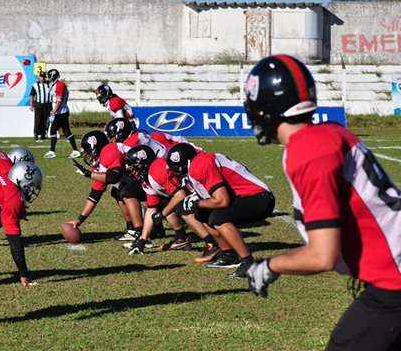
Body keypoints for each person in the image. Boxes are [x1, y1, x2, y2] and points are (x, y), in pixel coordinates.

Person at [243, 54, 401, 350]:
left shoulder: (309, 150)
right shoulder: (329, 133)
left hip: (394, 280)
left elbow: (322, 255)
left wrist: (269, 265)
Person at [165, 143, 274, 277]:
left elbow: (222, 200)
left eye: (177, 168)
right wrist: (195, 202)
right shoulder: (198, 162)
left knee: (218, 218)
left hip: (259, 198)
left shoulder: (200, 164)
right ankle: (228, 254)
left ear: (185, 163)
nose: (175, 172)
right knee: (202, 214)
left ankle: (248, 262)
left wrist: (196, 202)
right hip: (245, 196)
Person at [69, 130, 148, 242]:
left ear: (96, 147)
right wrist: (79, 220)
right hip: (143, 180)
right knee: (117, 191)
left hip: (153, 178)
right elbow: (94, 196)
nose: (89, 156)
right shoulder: (101, 163)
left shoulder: (109, 150)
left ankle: (140, 232)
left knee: (126, 189)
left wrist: (88, 174)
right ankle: (132, 229)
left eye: (89, 152)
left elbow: (113, 177)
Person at [44, 69, 80, 159]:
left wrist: (54, 111)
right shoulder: (56, 84)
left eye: (50, 76)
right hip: (62, 111)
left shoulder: (59, 85)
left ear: (53, 76)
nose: (48, 78)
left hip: (60, 112)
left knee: (53, 130)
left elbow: (59, 100)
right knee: (66, 131)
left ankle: (52, 151)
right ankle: (75, 151)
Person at [30, 71, 51, 141]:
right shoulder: (35, 85)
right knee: (38, 120)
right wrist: (31, 105)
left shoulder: (49, 84)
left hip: (47, 105)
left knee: (46, 120)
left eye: (44, 77)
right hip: (39, 104)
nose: (42, 78)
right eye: (41, 77)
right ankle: (36, 134)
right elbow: (32, 95)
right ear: (39, 77)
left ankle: (43, 134)